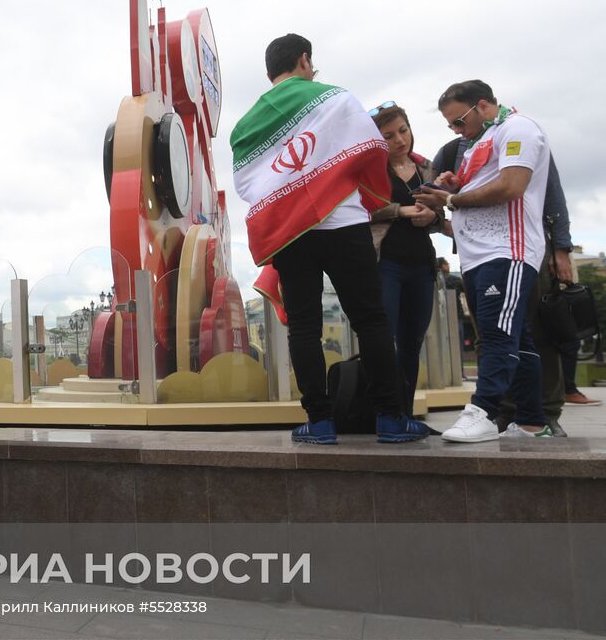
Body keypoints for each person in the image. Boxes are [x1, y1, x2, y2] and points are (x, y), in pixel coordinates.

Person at [229, 34, 430, 445]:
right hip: (345, 223)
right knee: (370, 320)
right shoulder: (335, 99)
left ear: (270, 73)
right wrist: (369, 195)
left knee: (304, 327)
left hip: (292, 233)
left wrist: (290, 196)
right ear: (304, 60)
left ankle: (319, 422)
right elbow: (371, 149)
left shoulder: (246, 126)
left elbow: (247, 182)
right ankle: (390, 419)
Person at [415, 80, 552, 440]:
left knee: (496, 335)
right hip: (477, 255)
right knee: (516, 338)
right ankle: (531, 423)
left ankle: (483, 412)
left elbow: (511, 186)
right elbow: (480, 189)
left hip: (507, 251)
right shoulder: (482, 141)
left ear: (483, 106)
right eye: (450, 125)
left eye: (459, 121)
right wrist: (454, 186)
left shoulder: (518, 129)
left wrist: (450, 200)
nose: (456, 131)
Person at [367, 103, 443, 414]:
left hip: (422, 264)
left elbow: (441, 214)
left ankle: (405, 413)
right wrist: (400, 210)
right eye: (388, 136)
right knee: (384, 340)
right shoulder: (370, 171)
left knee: (413, 343)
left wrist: (433, 217)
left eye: (403, 130)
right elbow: (360, 210)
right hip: (386, 263)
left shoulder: (428, 168)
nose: (400, 140)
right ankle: (385, 413)